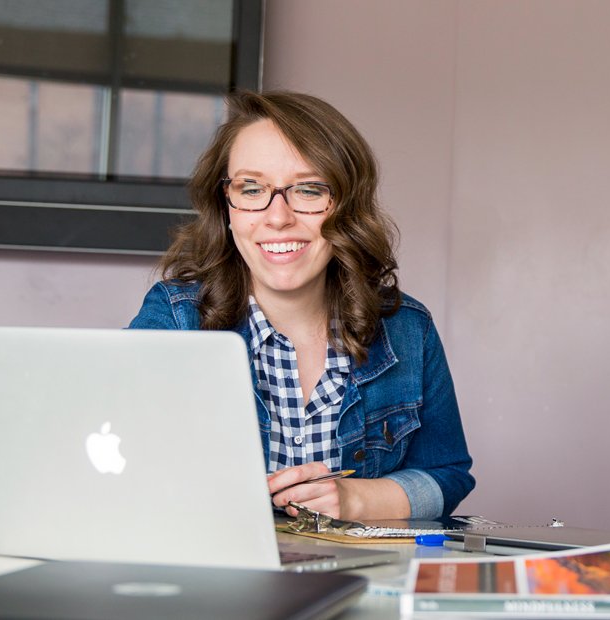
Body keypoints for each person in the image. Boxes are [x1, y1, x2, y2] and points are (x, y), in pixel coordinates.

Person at [128, 90, 474, 521]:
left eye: (308, 190)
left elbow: (446, 473)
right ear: (227, 206)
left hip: (355, 580)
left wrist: (354, 499)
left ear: (347, 204)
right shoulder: (175, 319)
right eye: (251, 188)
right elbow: (120, 467)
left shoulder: (407, 327)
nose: (278, 217)